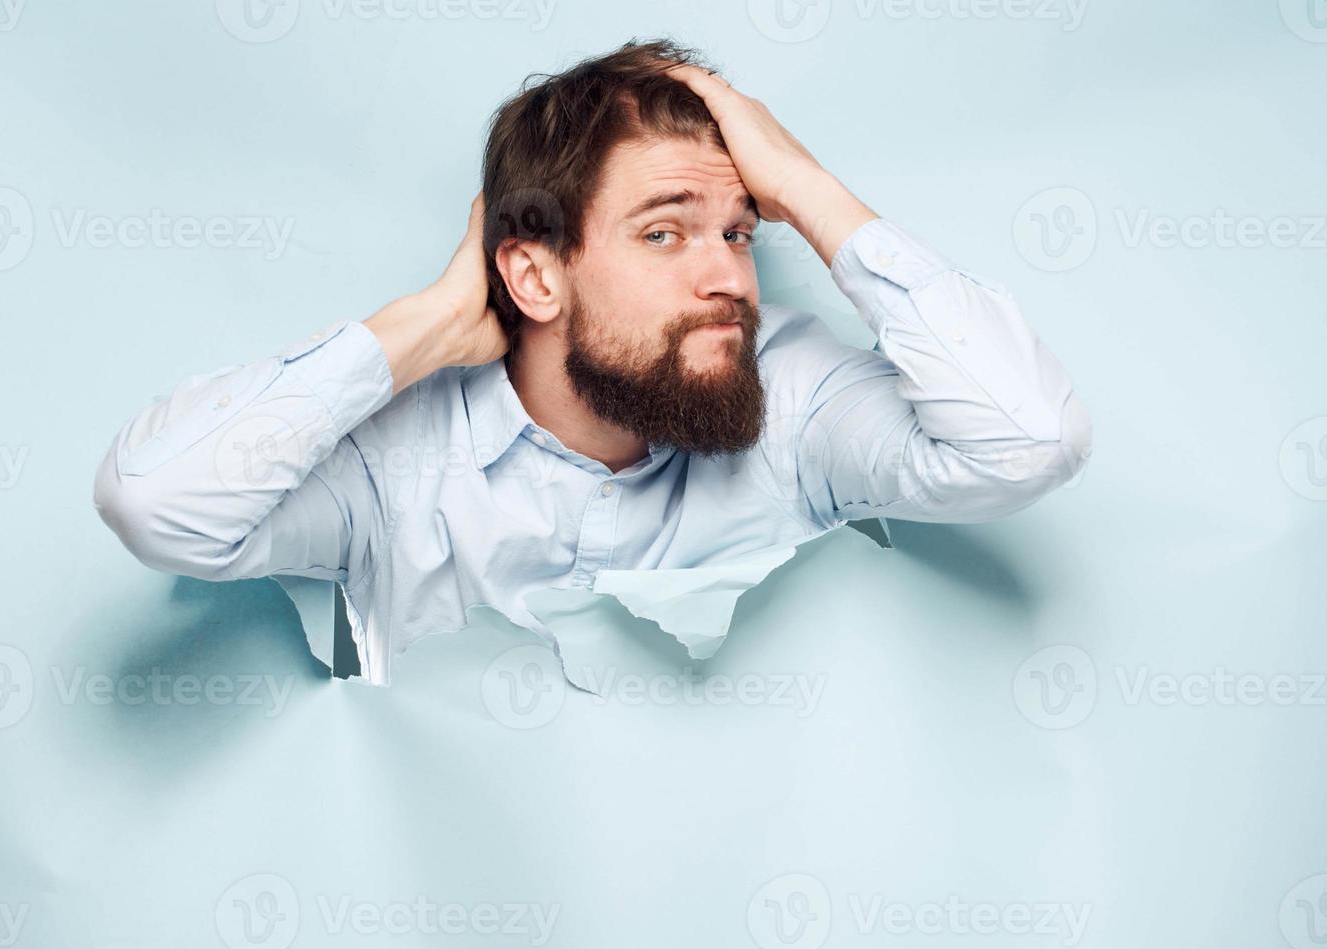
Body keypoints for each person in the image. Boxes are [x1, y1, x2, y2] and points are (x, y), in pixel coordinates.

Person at [93, 39, 1091, 685]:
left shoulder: (787, 397)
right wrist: (426, 325)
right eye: (666, 233)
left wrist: (806, 186)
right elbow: (158, 504)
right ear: (535, 276)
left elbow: (1028, 440)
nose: (730, 279)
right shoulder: (398, 466)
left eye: (741, 231)